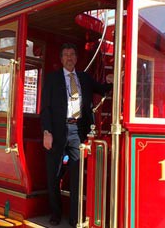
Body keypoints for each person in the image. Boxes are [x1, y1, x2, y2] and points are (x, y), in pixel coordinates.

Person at [40, 43, 113, 226]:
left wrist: (112, 80)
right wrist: (46, 132)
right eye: (65, 55)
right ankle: (56, 214)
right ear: (61, 59)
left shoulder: (84, 78)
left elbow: (102, 89)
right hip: (56, 131)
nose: (69, 58)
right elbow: (46, 108)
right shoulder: (52, 79)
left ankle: (75, 216)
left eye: (72, 54)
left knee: (77, 176)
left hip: (78, 132)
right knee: (54, 175)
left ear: (77, 58)